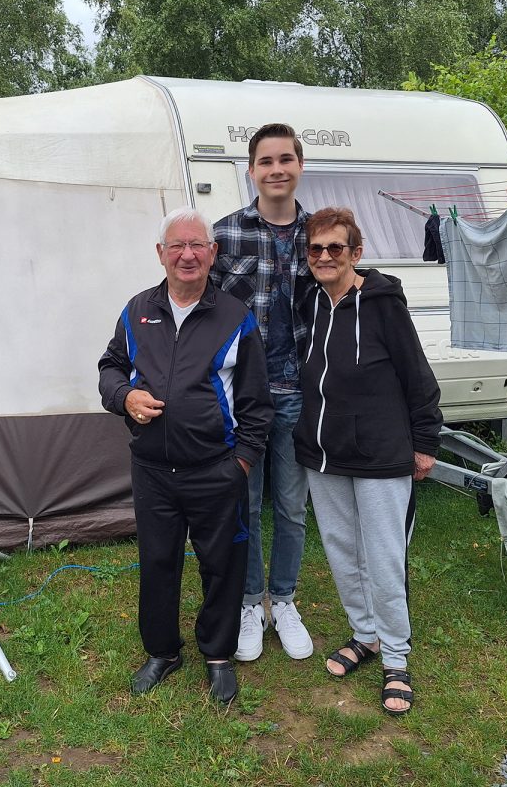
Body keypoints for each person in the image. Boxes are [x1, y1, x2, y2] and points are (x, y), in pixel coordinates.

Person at [98, 207, 273, 704]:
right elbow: (110, 366)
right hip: (152, 470)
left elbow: (258, 403)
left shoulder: (235, 316)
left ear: (213, 253)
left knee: (222, 563)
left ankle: (218, 656)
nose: (188, 255)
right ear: (161, 254)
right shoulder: (137, 310)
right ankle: (162, 652)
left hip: (215, 469)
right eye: (177, 246)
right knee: (157, 561)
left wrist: (240, 462)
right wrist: (124, 398)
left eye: (198, 245)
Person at [292, 207, 442, 717]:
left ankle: (396, 658)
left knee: (383, 556)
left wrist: (424, 443)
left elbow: (417, 376)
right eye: (316, 248)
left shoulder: (382, 303)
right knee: (340, 549)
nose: (325, 257)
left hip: (381, 455)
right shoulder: (309, 302)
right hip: (324, 454)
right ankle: (365, 635)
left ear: (356, 253)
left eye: (336, 248)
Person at [212, 122, 315, 662]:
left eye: (286, 160)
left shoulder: (319, 234)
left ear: (300, 167)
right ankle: (251, 603)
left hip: (299, 390)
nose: (277, 170)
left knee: (293, 507)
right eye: (266, 161)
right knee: (245, 505)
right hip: (245, 397)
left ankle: (285, 599)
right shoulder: (225, 234)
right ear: (251, 171)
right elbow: (204, 314)